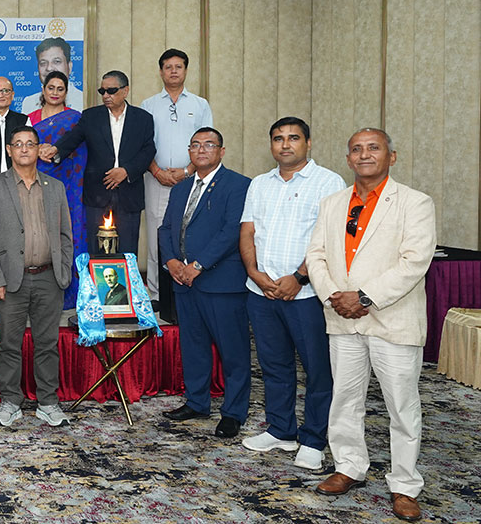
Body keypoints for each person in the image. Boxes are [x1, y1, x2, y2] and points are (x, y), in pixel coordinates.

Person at [306, 128, 436, 523]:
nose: (364, 155)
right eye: (357, 149)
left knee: (402, 406)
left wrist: (363, 297)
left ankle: (405, 485)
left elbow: (415, 261)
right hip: (341, 318)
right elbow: (316, 256)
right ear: (348, 158)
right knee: (345, 399)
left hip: (392, 319)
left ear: (391, 157)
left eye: (373, 148)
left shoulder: (415, 202)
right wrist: (334, 295)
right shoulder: (332, 203)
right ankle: (348, 466)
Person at [239, 117, 345, 471]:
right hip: (262, 292)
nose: (285, 145)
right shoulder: (259, 183)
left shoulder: (329, 182)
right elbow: (248, 231)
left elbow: (329, 239)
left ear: (308, 143)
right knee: (274, 365)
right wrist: (254, 273)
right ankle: (281, 429)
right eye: (278, 138)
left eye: (293, 138)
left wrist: (299, 277)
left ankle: (313, 439)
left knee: (318, 370)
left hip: (307, 295)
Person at [159, 128, 251, 438]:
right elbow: (165, 229)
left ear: (221, 151)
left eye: (209, 145)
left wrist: (198, 265)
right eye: (195, 145)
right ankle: (197, 402)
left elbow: (232, 231)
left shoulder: (238, 185)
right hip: (184, 282)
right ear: (189, 151)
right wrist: (172, 262)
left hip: (221, 281)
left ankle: (234, 412)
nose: (201, 150)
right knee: (193, 345)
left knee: (233, 351)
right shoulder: (181, 188)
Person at [0, 126, 73, 428]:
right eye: (17, 144)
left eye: (30, 144)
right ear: (9, 150)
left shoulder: (55, 187)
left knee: (47, 344)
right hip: (10, 281)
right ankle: (10, 402)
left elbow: (65, 234)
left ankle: (48, 402)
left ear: (38, 149)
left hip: (49, 278)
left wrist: (63, 269)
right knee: (9, 345)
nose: (23, 149)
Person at [38, 70, 155, 256]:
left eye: (111, 91)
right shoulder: (91, 116)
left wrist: (126, 171)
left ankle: (125, 278)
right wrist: (55, 150)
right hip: (97, 195)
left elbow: (148, 151)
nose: (106, 95)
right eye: (102, 91)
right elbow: (73, 138)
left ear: (125, 91)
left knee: (127, 252)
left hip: (129, 194)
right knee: (96, 252)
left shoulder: (143, 118)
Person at [142, 48, 213, 306]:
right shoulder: (148, 105)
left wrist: (187, 171)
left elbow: (207, 143)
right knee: (156, 236)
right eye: (168, 67)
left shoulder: (200, 104)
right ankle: (155, 294)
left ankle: (189, 288)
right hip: (156, 179)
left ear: (185, 70)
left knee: (191, 233)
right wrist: (157, 171)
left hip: (192, 179)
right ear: (161, 72)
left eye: (178, 66)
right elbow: (142, 144)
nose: (173, 71)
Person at [28, 70, 87, 305]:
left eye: (60, 89)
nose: (55, 93)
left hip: (69, 184)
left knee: (67, 232)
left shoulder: (75, 119)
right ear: (43, 90)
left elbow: (81, 151)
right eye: (50, 88)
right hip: (35, 182)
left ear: (66, 92)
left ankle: (71, 292)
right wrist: (38, 150)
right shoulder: (29, 118)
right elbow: (22, 146)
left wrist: (55, 151)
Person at [18, 38, 85, 114]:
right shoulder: (29, 102)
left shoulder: (84, 100)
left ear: (69, 66)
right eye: (43, 63)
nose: (49, 68)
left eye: (57, 61)